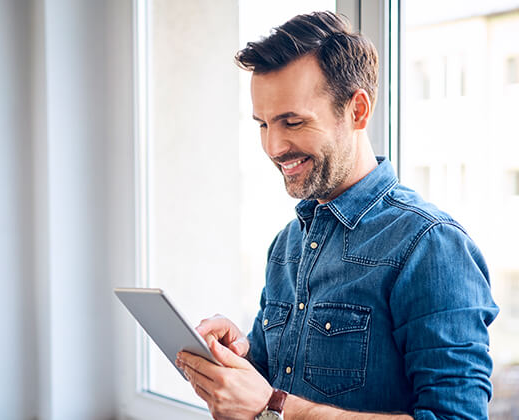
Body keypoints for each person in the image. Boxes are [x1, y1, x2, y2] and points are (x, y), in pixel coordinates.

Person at [175, 11, 498, 420]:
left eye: (293, 122)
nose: (274, 147)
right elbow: (275, 385)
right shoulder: (287, 245)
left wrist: (276, 408)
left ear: (358, 110)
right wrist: (240, 357)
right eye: (263, 125)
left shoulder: (430, 245)